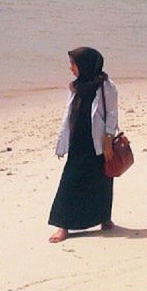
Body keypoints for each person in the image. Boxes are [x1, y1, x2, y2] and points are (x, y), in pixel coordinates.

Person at [48, 47, 119, 243]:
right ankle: (64, 225)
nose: (71, 68)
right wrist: (62, 142)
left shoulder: (107, 86)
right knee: (71, 180)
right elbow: (68, 115)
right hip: (78, 140)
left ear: (86, 65)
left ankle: (104, 218)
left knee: (102, 180)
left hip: (99, 141)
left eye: (74, 64)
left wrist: (108, 140)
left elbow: (112, 114)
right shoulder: (75, 87)